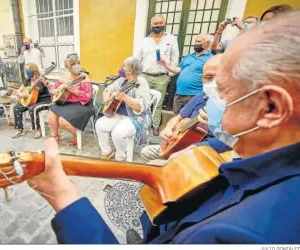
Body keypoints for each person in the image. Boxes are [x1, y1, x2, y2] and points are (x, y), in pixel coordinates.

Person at [27, 10, 300, 244]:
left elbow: (141, 108)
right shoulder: (245, 146)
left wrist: (62, 195)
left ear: (271, 108)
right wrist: (199, 146)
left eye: (222, 87)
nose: (209, 94)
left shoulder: (244, 234)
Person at [141, 54, 230, 163]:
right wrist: (168, 128)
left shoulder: (237, 105)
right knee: (146, 152)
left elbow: (235, 142)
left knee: (154, 165)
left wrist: (216, 127)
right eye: (208, 77)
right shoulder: (201, 97)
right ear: (202, 78)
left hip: (208, 155)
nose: (214, 82)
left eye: (219, 76)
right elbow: (178, 117)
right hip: (183, 145)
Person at [95, 57, 151, 161]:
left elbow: (140, 107)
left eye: (124, 66)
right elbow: (108, 89)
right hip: (117, 114)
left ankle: (121, 156)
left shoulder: (141, 82)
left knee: (117, 132)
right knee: (100, 125)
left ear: (130, 70)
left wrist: (125, 97)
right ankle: (107, 152)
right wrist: (107, 96)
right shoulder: (121, 80)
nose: (121, 68)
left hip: (135, 117)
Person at [134, 14, 179, 136]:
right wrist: (137, 76)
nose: (158, 25)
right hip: (144, 76)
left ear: (164, 23)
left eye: (160, 23)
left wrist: (169, 75)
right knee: (142, 101)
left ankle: (155, 125)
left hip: (162, 77)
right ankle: (143, 124)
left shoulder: (171, 39)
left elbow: (175, 58)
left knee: (158, 103)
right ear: (151, 25)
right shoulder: (144, 42)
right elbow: (137, 59)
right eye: (155, 24)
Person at [160, 33, 213, 114]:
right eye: (195, 41)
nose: (196, 43)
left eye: (199, 41)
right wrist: (165, 64)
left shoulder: (210, 58)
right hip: (179, 93)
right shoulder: (189, 56)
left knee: (189, 121)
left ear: (207, 43)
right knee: (177, 117)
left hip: (194, 95)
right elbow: (177, 70)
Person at [47, 53, 93, 146]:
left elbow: (88, 97)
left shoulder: (83, 78)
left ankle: (76, 136)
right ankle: (55, 137)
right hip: (65, 103)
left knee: (63, 121)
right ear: (67, 66)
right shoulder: (65, 77)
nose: (76, 66)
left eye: (78, 63)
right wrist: (57, 90)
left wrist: (74, 91)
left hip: (82, 104)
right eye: (73, 64)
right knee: (51, 115)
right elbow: (53, 90)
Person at [12, 63, 51, 139]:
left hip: (44, 101)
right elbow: (18, 90)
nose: (27, 71)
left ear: (34, 70)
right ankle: (19, 129)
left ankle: (38, 130)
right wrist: (22, 95)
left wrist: (44, 82)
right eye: (26, 70)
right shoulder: (27, 81)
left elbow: (50, 88)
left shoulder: (42, 79)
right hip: (31, 101)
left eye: (29, 70)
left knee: (32, 109)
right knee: (16, 108)